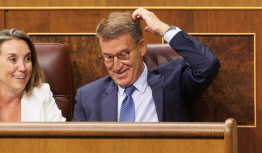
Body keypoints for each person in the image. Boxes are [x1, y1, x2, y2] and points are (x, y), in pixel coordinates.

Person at [73, 8, 220, 122]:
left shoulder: (174, 81)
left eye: (123, 54)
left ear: (141, 47)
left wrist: (164, 30)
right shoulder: (87, 97)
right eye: (108, 57)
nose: (116, 66)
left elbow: (207, 64)